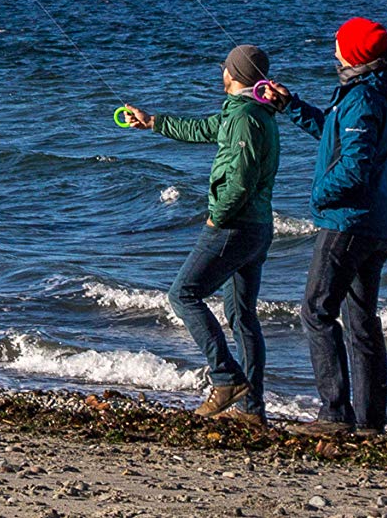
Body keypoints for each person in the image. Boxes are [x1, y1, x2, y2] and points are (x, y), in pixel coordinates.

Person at [113, 43, 280, 419]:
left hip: (234, 227)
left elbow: (239, 181)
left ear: (232, 75)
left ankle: (226, 379)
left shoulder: (245, 118)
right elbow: (203, 128)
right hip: (257, 227)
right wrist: (153, 122)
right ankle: (253, 409)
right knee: (241, 316)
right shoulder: (249, 111)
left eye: (225, 68)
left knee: (183, 296)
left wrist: (216, 218)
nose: (222, 72)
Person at [269, 15, 387, 436]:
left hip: (348, 223)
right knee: (362, 319)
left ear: (355, 54)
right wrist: (290, 105)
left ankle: (335, 413)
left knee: (315, 310)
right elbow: (335, 134)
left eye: (338, 46)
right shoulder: (378, 92)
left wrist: (318, 196)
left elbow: (355, 166)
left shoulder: (363, 98)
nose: (333, 52)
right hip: (377, 224)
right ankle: (370, 421)